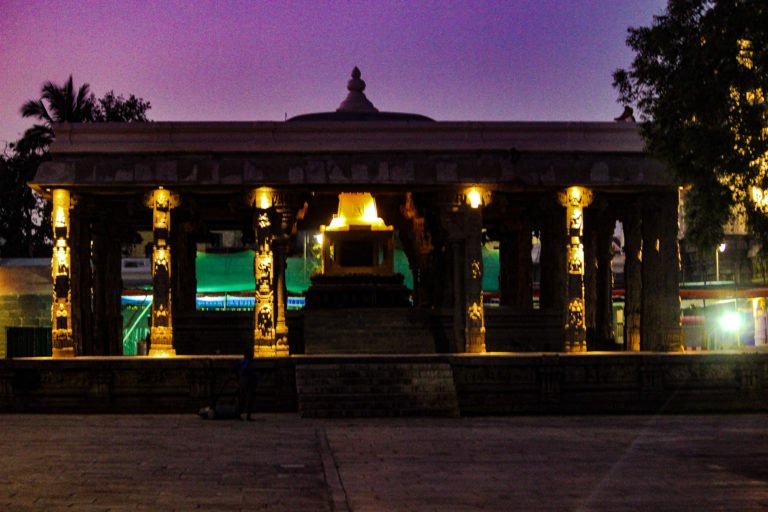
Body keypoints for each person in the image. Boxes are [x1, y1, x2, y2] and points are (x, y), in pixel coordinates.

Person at [234, 348, 256, 420]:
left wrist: (238, 377)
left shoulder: (241, 361)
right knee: (249, 399)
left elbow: (235, 369)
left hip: (242, 380)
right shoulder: (248, 362)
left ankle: (239, 414)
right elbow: (249, 370)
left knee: (242, 398)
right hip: (247, 381)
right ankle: (247, 416)